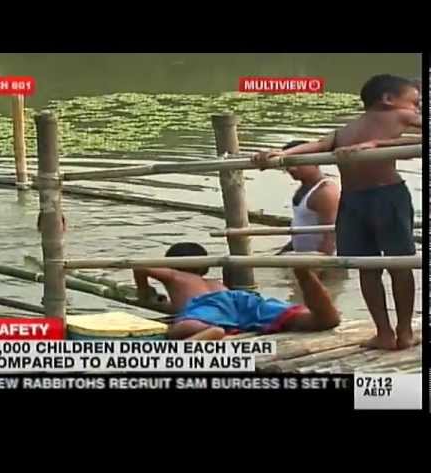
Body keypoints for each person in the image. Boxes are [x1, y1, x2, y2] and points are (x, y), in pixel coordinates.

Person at [253, 74, 421, 350]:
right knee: (364, 267)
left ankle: (404, 331)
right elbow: (320, 145)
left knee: (399, 264)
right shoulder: (347, 128)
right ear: (388, 99)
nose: (416, 108)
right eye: (414, 101)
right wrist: (276, 155)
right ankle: (383, 332)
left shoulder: (399, 119)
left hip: (387, 195)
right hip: (353, 201)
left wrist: (380, 145)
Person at [133, 242, 340, 340]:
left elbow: (140, 266)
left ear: (172, 264)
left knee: (176, 331)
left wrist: (144, 291)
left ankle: (212, 332)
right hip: (239, 299)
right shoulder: (212, 281)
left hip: (208, 308)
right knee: (322, 321)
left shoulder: (176, 276)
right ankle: (303, 274)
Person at [277, 140, 340, 256]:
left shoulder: (325, 191)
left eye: (296, 163)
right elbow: (303, 224)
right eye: (287, 164)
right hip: (304, 260)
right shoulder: (305, 188)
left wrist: (321, 267)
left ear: (315, 161)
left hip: (319, 263)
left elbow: (331, 236)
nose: (291, 169)